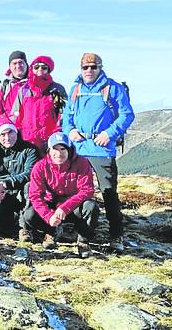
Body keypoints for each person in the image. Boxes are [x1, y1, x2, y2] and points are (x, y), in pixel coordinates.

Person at [62, 53, 134, 250]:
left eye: (93, 67)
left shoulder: (113, 88)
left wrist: (109, 134)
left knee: (108, 192)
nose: (89, 71)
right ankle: (78, 229)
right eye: (85, 67)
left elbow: (127, 115)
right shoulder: (75, 89)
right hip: (78, 148)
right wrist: (70, 131)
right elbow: (67, 115)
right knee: (75, 191)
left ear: (100, 67)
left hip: (101, 148)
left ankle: (116, 235)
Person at [21, 132, 99, 258]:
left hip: (73, 207)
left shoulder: (82, 163)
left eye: (63, 149)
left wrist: (65, 207)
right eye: (55, 149)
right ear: (49, 150)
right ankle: (51, 231)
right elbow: (35, 195)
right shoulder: (40, 166)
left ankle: (83, 241)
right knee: (29, 215)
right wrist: (48, 216)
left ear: (69, 149)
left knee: (91, 207)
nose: (59, 153)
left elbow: (87, 190)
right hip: (51, 207)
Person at [0, 121, 38, 235]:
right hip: (0, 195)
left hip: (21, 193)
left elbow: (30, 173)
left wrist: (5, 184)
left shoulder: (30, 150)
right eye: (2, 134)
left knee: (29, 186)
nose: (7, 137)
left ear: (16, 132)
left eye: (10, 132)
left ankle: (24, 228)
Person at [11, 55, 67, 154]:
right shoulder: (24, 90)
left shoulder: (57, 89)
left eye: (44, 67)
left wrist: (57, 133)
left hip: (49, 141)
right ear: (32, 69)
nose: (40, 70)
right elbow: (15, 115)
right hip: (27, 141)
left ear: (48, 70)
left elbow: (63, 114)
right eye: (36, 67)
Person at [0, 50, 29, 134]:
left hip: (30, 130)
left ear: (26, 64)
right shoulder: (3, 86)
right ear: (10, 67)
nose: (18, 66)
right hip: (10, 131)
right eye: (14, 63)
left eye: (20, 62)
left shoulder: (35, 84)